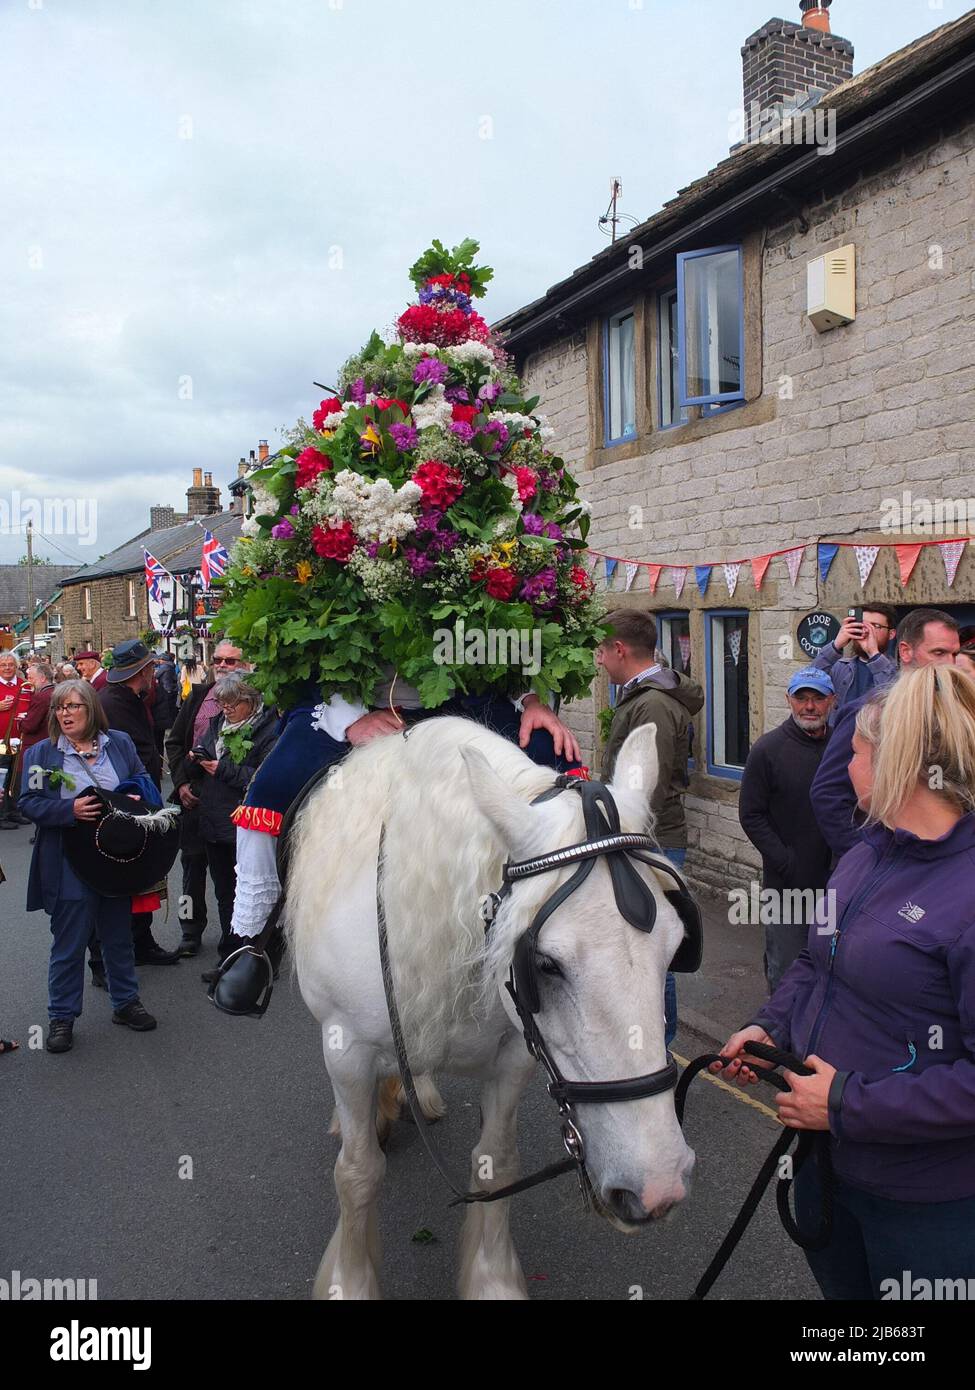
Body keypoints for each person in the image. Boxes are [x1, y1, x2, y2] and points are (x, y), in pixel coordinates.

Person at [713, 665, 975, 1300]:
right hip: (824, 1163)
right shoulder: (865, 851)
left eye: (853, 751)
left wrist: (845, 1104)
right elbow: (814, 963)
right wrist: (769, 1026)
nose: (842, 766)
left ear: (896, 761)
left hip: (923, 1201)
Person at [213, 674, 584, 1015]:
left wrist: (533, 702)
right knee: (267, 794)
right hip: (354, 698)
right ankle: (258, 941)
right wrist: (351, 721)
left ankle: (574, 920)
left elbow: (507, 655)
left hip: (464, 698)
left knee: (558, 756)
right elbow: (306, 663)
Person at [19, 680, 159, 1053]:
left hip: (115, 859)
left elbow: (145, 780)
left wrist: (133, 792)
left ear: (92, 709)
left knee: (117, 935)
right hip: (67, 861)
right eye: (58, 708)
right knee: (69, 943)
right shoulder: (41, 755)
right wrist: (69, 810)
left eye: (72, 706)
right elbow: (28, 802)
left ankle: (126, 1003)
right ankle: (62, 1017)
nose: (64, 714)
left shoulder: (120, 743)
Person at [595, 609, 704, 1048]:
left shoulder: (652, 703)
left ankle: (658, 1045)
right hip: (646, 839)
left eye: (602, 651)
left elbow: (646, 791)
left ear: (620, 649)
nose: (599, 660)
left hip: (650, 841)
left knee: (650, 949)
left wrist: (619, 836)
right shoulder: (645, 695)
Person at [810, 608, 960, 858]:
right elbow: (828, 795)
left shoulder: (952, 712)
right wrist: (869, 856)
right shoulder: (867, 710)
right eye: (939, 653)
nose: (950, 664)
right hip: (889, 859)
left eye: (954, 654)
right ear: (905, 651)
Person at [738, 668, 835, 991]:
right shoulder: (768, 750)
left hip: (838, 884)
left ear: (832, 701)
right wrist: (786, 862)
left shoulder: (844, 747)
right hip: (788, 887)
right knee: (787, 971)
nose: (809, 706)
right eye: (801, 698)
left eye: (818, 698)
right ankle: (782, 1039)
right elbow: (751, 815)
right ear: (788, 700)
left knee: (833, 967)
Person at [189, 675, 278, 980]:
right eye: (222, 702)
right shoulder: (216, 724)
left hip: (247, 825)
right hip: (214, 821)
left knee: (252, 893)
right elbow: (201, 751)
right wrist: (196, 759)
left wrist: (222, 769)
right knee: (225, 893)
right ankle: (229, 958)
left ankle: (259, 958)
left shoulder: (269, 728)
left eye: (232, 702)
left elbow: (265, 777)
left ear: (251, 701)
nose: (225, 708)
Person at [98, 640, 178, 968]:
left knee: (141, 874)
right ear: (141, 671)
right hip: (125, 799)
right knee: (123, 877)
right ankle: (115, 954)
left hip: (141, 795)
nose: (154, 673)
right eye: (150, 669)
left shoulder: (130, 697)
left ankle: (141, 943)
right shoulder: (111, 702)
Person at [165, 641, 248, 956]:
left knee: (236, 875)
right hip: (195, 797)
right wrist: (182, 782)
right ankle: (189, 928)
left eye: (231, 660)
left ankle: (241, 936)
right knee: (191, 868)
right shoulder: (198, 696)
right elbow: (174, 742)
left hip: (235, 799)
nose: (224, 665)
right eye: (218, 660)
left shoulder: (261, 701)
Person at [811, 604, 897, 717]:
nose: (866, 631)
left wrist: (873, 654)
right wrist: (836, 645)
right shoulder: (840, 667)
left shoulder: (899, 671)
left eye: (875, 626)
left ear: (891, 634)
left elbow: (892, 700)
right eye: (862, 625)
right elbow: (810, 680)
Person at [0, 652, 29, 828]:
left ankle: (14, 811)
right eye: (3, 665)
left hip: (19, 740)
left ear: (16, 666)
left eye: (10, 664)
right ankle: (1, 815)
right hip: (0, 741)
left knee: (15, 778)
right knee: (1, 777)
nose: (7, 668)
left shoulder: (25, 685)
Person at [21, 660, 56, 751]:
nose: (28, 681)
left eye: (31, 678)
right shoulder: (56, 691)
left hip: (38, 745)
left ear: (43, 678)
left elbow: (29, 726)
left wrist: (20, 722)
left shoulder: (41, 697)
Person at [150, 651, 179, 764]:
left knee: (156, 742)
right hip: (170, 694)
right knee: (159, 742)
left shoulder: (164, 668)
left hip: (160, 711)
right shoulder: (172, 666)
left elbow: (156, 675)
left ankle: (158, 766)